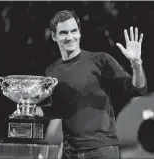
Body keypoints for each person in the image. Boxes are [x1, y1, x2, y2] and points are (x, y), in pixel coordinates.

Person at [35, 10, 147, 159]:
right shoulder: (52, 70)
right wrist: (30, 108)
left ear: (79, 33)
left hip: (101, 150)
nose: (70, 37)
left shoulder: (100, 60)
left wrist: (136, 64)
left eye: (74, 31)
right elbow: (59, 110)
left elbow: (138, 89)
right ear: (54, 36)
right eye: (63, 33)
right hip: (70, 152)